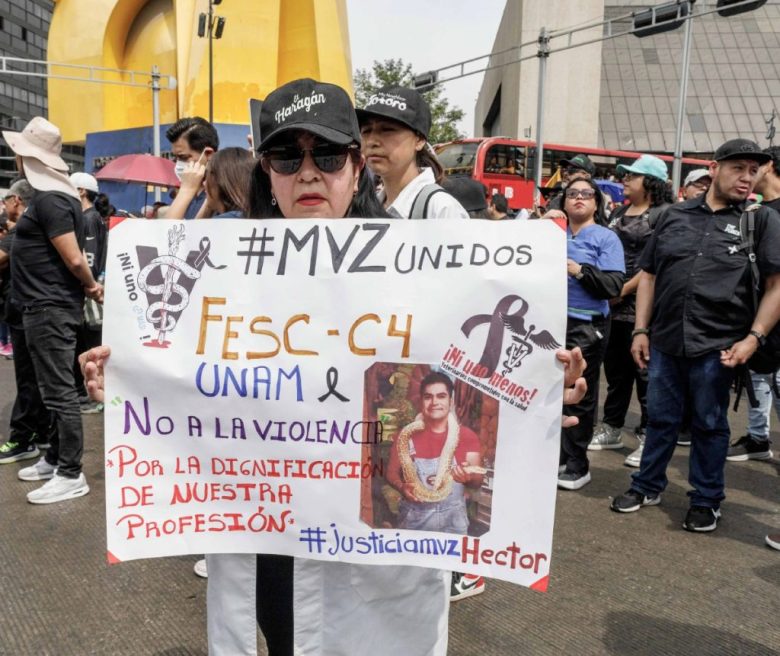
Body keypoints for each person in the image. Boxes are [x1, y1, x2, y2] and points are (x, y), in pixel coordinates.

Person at [80, 78, 589, 655]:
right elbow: (172, 380)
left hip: (377, 542)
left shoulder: (430, 267)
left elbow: (470, 386)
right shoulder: (215, 267)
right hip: (266, 535)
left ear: (355, 165)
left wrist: (541, 396)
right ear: (265, 172)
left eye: (326, 155)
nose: (307, 173)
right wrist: (120, 380)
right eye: (284, 156)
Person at [610, 139, 780, 533]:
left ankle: (706, 499)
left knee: (710, 423)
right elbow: (649, 275)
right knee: (662, 418)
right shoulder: (673, 215)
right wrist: (640, 329)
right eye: (738, 168)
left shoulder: (760, 221)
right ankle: (647, 485)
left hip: (719, 345)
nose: (747, 177)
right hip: (666, 340)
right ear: (714, 168)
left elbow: (775, 286)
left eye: (753, 171)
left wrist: (753, 338)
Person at [2, 117, 103, 504]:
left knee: (59, 392)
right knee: (51, 390)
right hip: (42, 305)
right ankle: (55, 458)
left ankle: (70, 472)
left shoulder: (52, 199)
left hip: (50, 306)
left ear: (27, 156)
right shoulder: (53, 196)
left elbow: (74, 259)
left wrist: (91, 285)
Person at [590, 155, 672, 468]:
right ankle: (611, 427)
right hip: (612, 307)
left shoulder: (665, 215)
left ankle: (648, 437)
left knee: (646, 376)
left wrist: (620, 290)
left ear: (650, 182)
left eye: (632, 176)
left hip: (643, 308)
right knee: (616, 373)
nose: (625, 180)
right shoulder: (621, 211)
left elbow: (654, 266)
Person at [544, 178, 624, 490]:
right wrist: (540, 225)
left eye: (586, 194)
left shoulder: (606, 238)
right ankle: (553, 457)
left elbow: (614, 286)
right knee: (546, 392)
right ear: (563, 201)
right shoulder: (549, 232)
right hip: (549, 322)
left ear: (596, 203)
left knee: (580, 393)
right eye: (572, 193)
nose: (579, 198)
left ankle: (577, 463)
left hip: (586, 325)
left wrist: (577, 270)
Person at [726, 146, 780, 465]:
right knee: (758, 377)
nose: (747, 175)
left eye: (754, 167)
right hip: (760, 317)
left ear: (769, 166)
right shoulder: (756, 211)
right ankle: (758, 437)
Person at [0, 179, 56, 464]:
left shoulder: (21, 231)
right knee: (37, 377)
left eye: (6, 199)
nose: (4, 205)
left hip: (25, 311)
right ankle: (41, 433)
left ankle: (22, 438)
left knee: (28, 378)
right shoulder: (37, 227)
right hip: (32, 309)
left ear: (17, 201)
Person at [356, 85, 468, 219]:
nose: (372, 141)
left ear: (419, 139)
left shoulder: (442, 210)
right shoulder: (371, 206)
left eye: (387, 130)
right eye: (366, 131)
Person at [69, 172, 108, 414]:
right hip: (89, 289)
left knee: (93, 341)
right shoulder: (88, 218)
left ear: (82, 191)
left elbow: (90, 257)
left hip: (90, 291)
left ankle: (97, 396)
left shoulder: (89, 218)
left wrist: (88, 283)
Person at [165, 117, 219, 219]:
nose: (178, 164)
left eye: (183, 157)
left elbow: (170, 231)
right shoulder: (187, 192)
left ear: (208, 154)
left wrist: (186, 190)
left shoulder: (220, 195)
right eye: (175, 158)